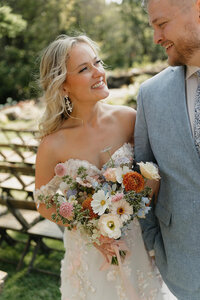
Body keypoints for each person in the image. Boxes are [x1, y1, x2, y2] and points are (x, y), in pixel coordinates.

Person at [34, 34, 165, 300]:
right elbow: (43, 202)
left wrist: (146, 189)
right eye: (84, 69)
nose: (99, 73)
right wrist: (90, 229)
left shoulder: (128, 119)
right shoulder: (52, 144)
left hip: (136, 247)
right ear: (63, 86)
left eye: (97, 62)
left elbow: (153, 175)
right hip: (88, 257)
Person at [134, 0, 200, 299]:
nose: (156, 37)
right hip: (184, 272)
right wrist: (152, 243)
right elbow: (141, 177)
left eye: (161, 24)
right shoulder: (150, 95)